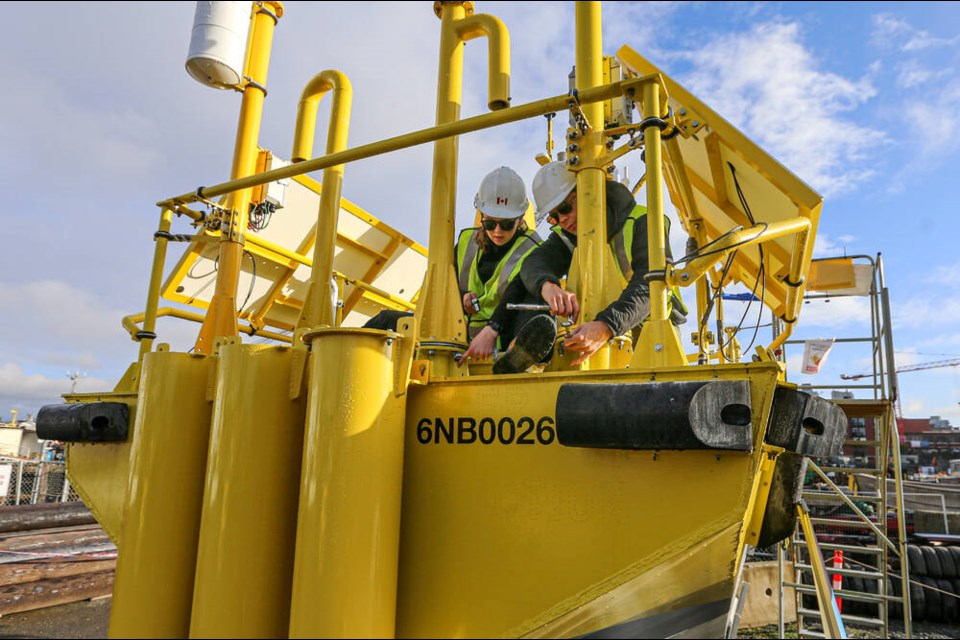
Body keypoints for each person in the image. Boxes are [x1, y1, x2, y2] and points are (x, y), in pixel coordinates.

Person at [491, 160, 687, 374]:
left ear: (587, 192)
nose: (563, 220)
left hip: (652, 329)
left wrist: (605, 326)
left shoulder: (644, 221)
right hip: (597, 329)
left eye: (565, 208)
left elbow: (649, 288)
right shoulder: (569, 236)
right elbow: (532, 265)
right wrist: (548, 286)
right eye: (554, 217)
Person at [363, 166, 541, 364]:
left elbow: (517, 293)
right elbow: (446, 283)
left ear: (521, 218)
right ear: (481, 215)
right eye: (490, 223)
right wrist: (463, 295)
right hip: (456, 334)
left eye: (506, 224)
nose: (497, 231)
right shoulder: (467, 243)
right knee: (385, 319)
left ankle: (515, 359)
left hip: (499, 343)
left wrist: (493, 329)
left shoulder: (531, 248)